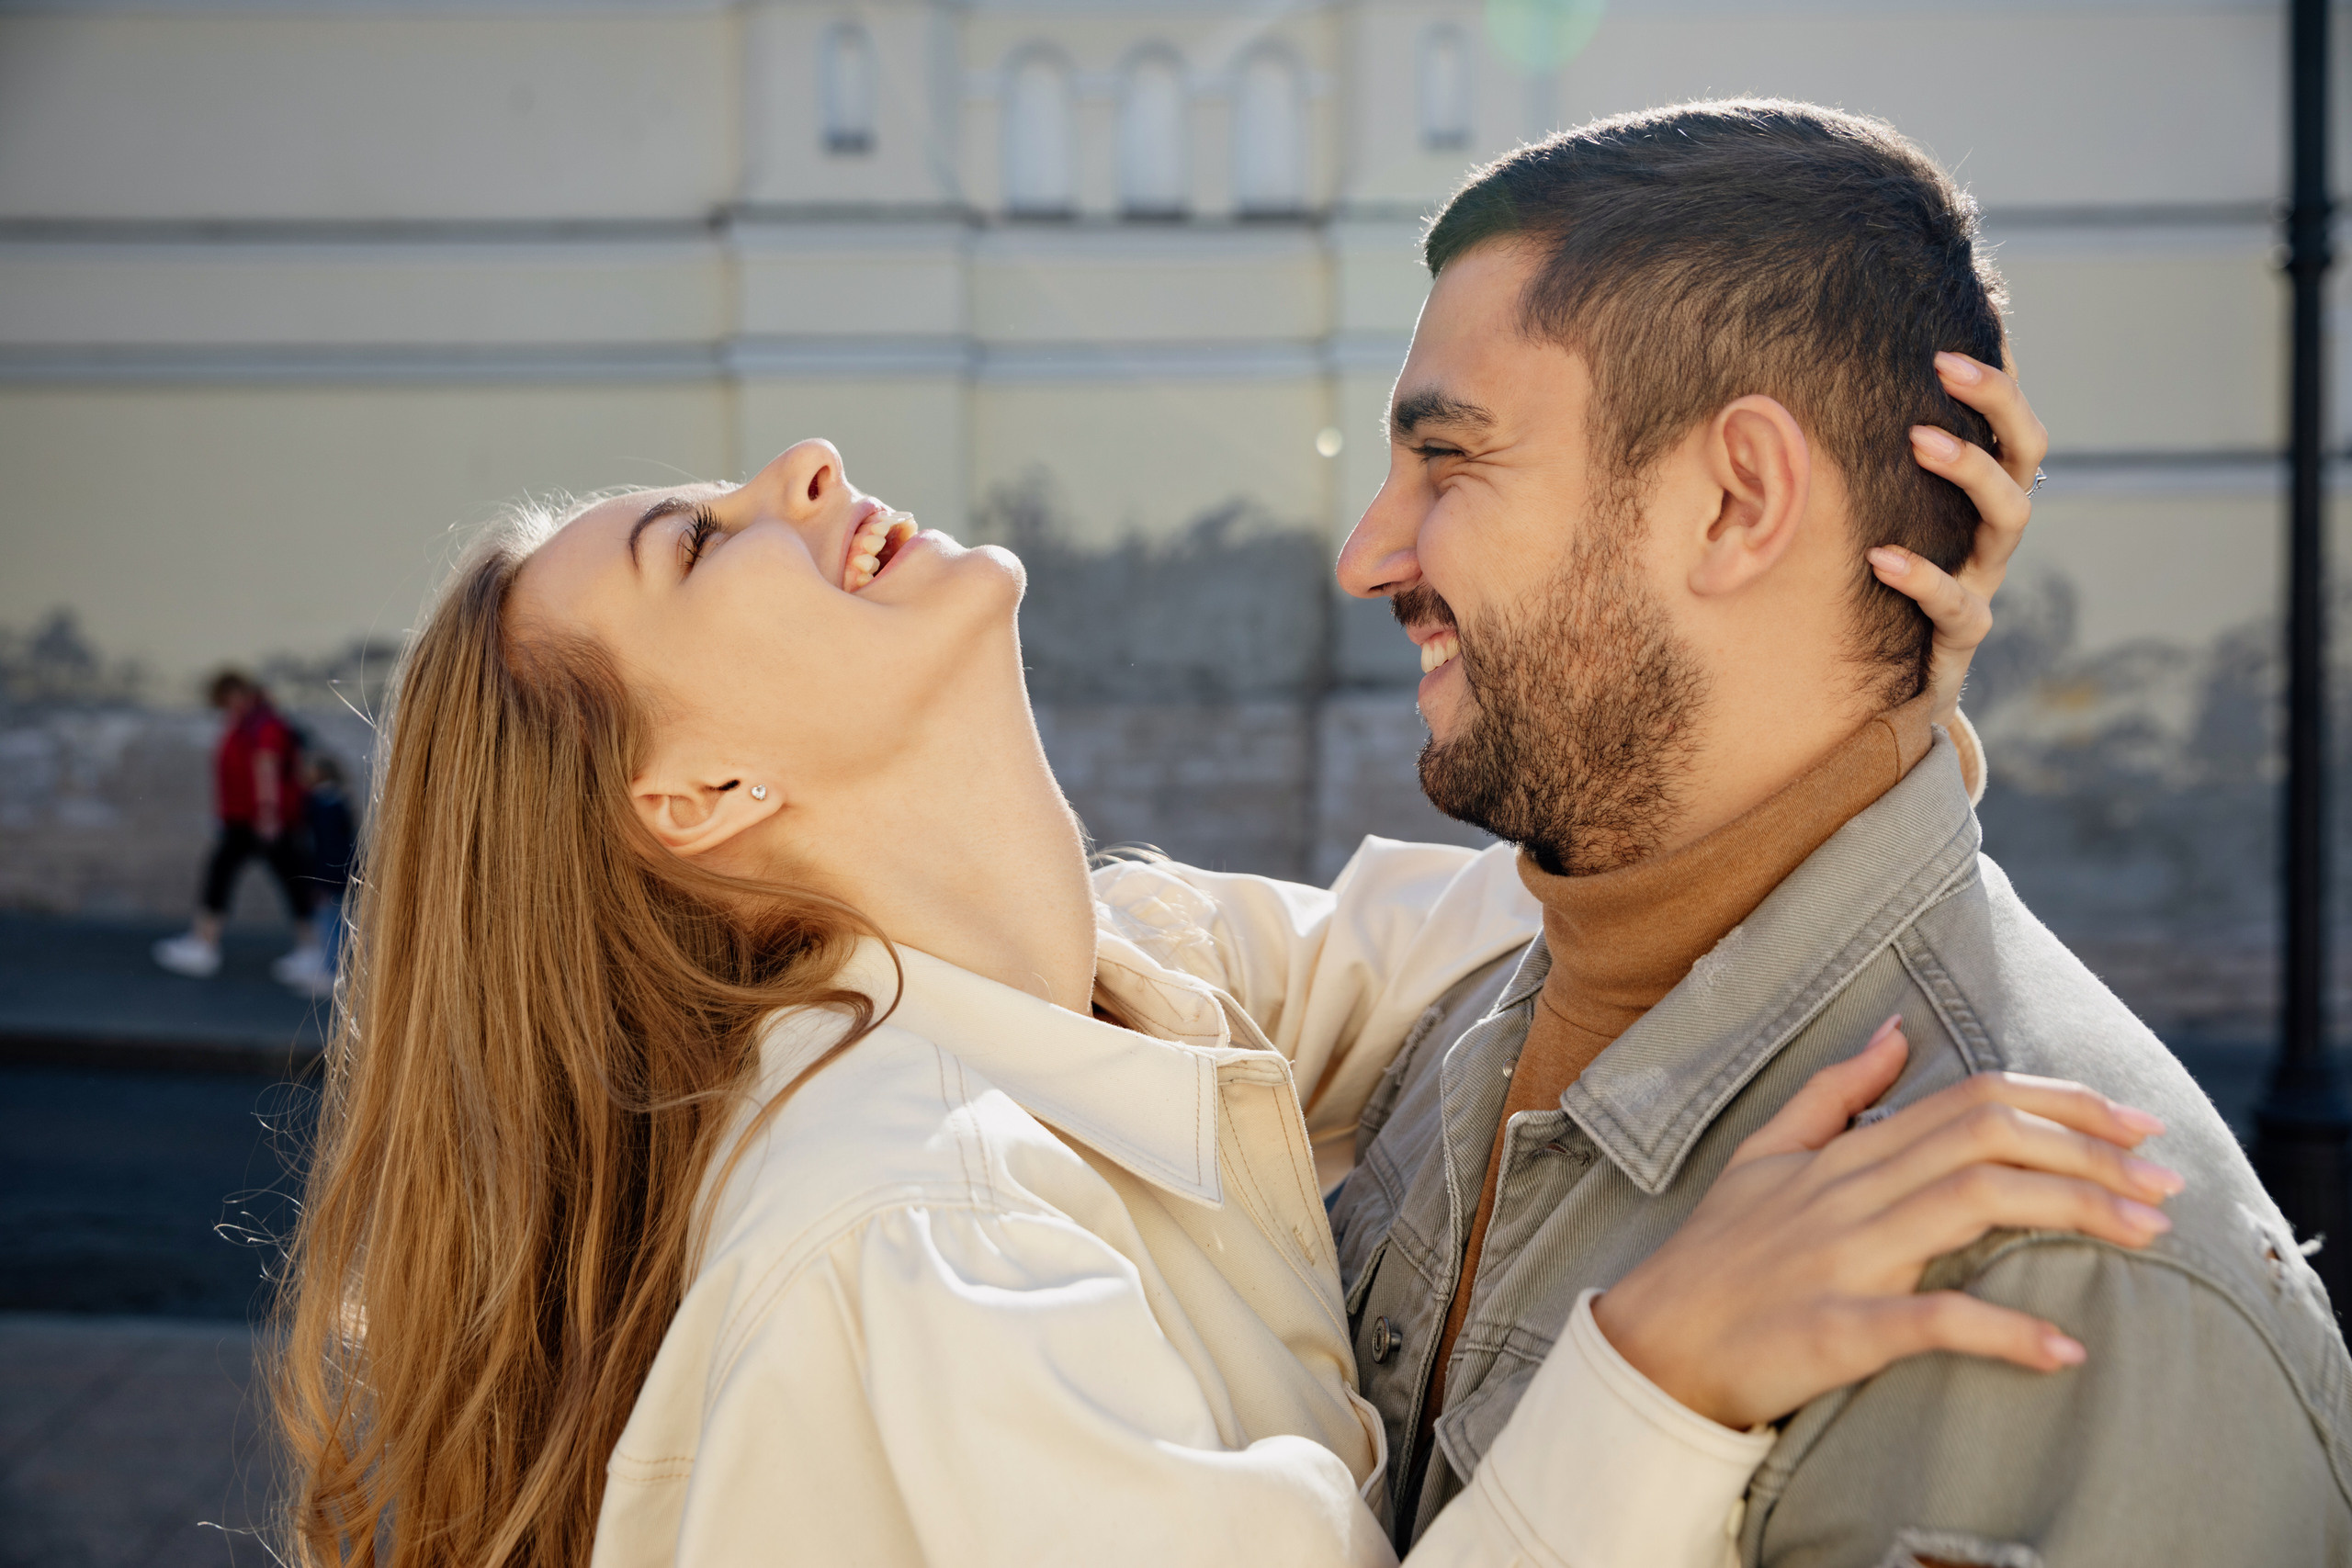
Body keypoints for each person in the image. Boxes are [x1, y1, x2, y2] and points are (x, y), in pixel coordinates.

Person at [273, 412, 2175, 1568]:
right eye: (696, 544)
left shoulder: (1152, 973)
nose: (803, 469)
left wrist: (1841, 642)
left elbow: (1602, 904)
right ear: (697, 797)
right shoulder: (915, 1234)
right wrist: (1661, 1366)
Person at [1311, 100, 2352, 1563]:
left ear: (1741, 499)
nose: (1369, 552)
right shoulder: (1455, 1035)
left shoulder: (2041, 1262)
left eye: (1450, 460)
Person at [153, 670, 325, 987]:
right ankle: (207, 943)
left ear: (235, 694)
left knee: (287, 879)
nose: (223, 710)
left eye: (224, 703)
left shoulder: (261, 722)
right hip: (249, 818)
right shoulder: (251, 720)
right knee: (254, 875)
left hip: (259, 820)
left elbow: (266, 764)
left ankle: (315, 953)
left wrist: (268, 813)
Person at [297, 753, 357, 998]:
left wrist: (318, 877)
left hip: (327, 871)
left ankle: (331, 972)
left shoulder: (317, 802)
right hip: (345, 869)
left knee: (329, 923)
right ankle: (340, 971)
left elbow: (320, 844)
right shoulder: (341, 799)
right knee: (342, 922)